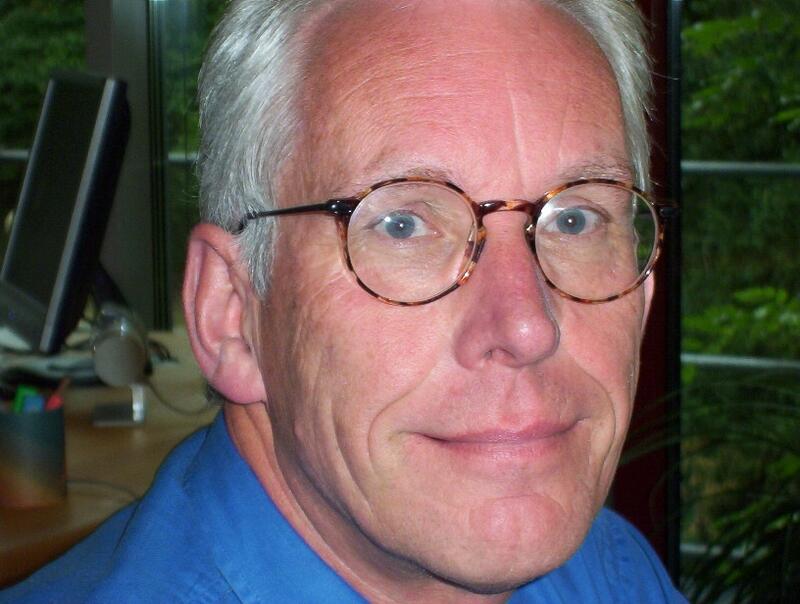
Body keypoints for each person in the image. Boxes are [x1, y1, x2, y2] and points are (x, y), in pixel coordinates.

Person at [3, 0, 687, 601]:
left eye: (576, 220)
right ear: (232, 315)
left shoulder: (610, 572)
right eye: (402, 225)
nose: (528, 326)